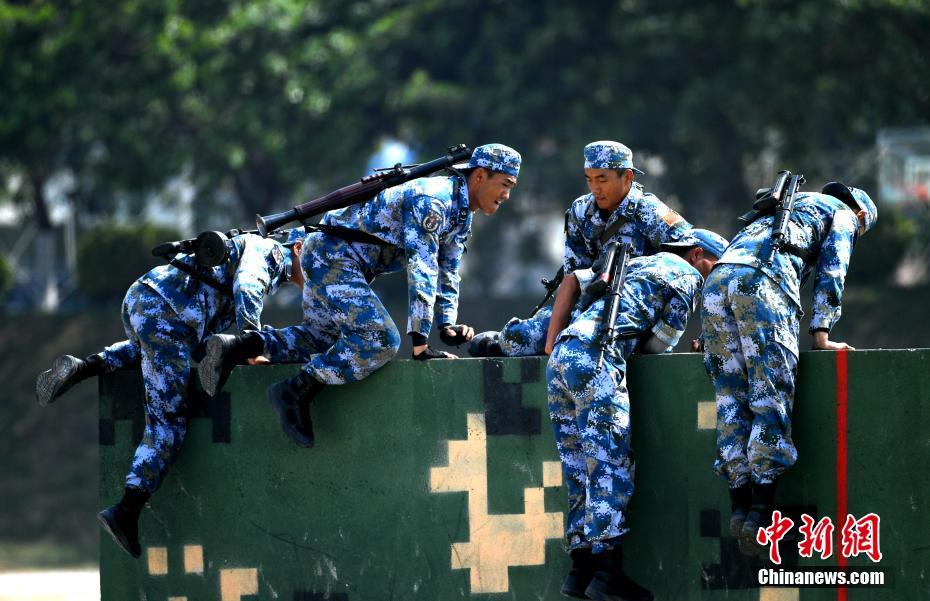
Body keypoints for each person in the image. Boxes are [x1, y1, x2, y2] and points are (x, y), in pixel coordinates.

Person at [198, 144, 522, 448]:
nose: (507, 195)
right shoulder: (434, 201)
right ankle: (295, 391)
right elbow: (422, 269)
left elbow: (447, 270)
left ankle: (238, 346)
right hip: (333, 259)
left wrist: (446, 325)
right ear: (479, 175)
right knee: (380, 339)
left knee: (321, 339)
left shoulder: (461, 213)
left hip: (337, 260)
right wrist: (421, 344)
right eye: (505, 184)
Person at [34, 228, 306, 558]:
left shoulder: (250, 250)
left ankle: (82, 367)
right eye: (315, 260)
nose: (318, 270)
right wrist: (250, 341)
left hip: (147, 299)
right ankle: (126, 510)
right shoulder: (271, 253)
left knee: (152, 350)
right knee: (168, 425)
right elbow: (248, 284)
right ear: (298, 248)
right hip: (170, 316)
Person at [547, 229, 728, 601]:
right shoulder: (687, 277)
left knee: (579, 466)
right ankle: (608, 576)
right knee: (609, 465)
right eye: (713, 269)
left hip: (563, 356)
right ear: (697, 255)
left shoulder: (638, 263)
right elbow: (660, 344)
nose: (713, 280)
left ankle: (580, 572)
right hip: (598, 361)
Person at [700, 180, 878, 555]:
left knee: (730, 399)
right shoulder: (843, 215)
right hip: (763, 281)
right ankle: (762, 512)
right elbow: (833, 270)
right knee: (769, 393)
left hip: (719, 280)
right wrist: (821, 333)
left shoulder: (790, 204)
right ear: (861, 215)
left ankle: (739, 506)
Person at [469, 140, 692, 358]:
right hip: (591, 308)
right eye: (590, 179)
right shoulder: (581, 211)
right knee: (518, 339)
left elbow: (691, 261)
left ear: (627, 177)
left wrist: (667, 324)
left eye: (602, 179)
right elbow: (574, 277)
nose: (596, 188)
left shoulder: (651, 212)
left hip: (639, 310)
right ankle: (502, 341)